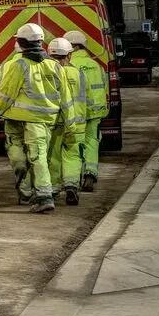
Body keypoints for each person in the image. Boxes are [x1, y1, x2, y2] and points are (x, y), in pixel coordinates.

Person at [0, 22, 63, 213]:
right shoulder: (55, 65)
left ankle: (41, 196)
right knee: (38, 157)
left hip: (18, 121)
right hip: (43, 121)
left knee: (22, 158)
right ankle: (35, 194)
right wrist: (66, 121)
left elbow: (5, 95)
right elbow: (64, 95)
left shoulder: (18, 66)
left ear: (20, 42)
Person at [65, 30, 110, 192]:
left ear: (73, 47)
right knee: (92, 142)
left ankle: (73, 178)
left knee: (75, 145)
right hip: (96, 111)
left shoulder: (69, 65)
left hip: (78, 112)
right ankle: (90, 173)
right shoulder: (95, 65)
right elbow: (104, 87)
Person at [47, 36, 86, 205]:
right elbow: (86, 98)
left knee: (53, 157)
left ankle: (54, 189)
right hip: (76, 121)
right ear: (69, 55)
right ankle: (71, 185)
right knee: (73, 155)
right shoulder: (78, 73)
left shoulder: (47, 74)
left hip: (54, 123)